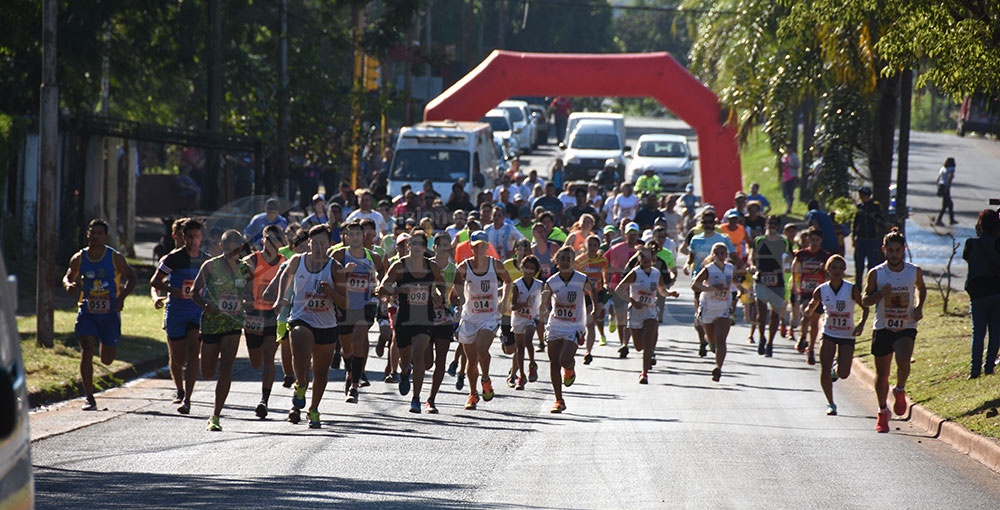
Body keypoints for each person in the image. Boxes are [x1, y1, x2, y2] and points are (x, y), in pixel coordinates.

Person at [272, 224, 347, 428]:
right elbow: (285, 277)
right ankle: (301, 384)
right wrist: (280, 299)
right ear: (309, 243)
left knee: (321, 371)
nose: (319, 247)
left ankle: (313, 409)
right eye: (315, 243)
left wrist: (331, 293)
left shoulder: (335, 268)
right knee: (299, 338)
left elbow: (345, 302)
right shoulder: (297, 260)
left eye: (324, 243)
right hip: (301, 317)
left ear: (330, 244)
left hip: (326, 324)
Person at [62, 219, 138, 410]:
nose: (95, 236)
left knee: (107, 359)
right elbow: (68, 276)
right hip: (87, 310)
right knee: (86, 348)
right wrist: (68, 285)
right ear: (87, 234)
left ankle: (107, 344)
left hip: (110, 313)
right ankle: (89, 397)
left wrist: (121, 299)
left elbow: (132, 278)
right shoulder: (79, 257)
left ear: (105, 236)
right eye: (92, 232)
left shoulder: (115, 257)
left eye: (99, 233)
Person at [861, 227, 926, 433]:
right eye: (891, 250)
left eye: (898, 250)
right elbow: (865, 299)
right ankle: (882, 412)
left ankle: (899, 389)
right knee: (882, 374)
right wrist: (880, 294)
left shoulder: (913, 270)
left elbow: (921, 289)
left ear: (903, 250)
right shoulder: (876, 273)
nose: (894, 254)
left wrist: (918, 307)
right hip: (883, 327)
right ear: (884, 250)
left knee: (904, 360)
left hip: (906, 325)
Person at [376, 231, 445, 413]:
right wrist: (399, 290)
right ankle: (405, 372)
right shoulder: (399, 266)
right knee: (405, 358)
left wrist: (439, 295)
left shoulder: (432, 266)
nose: (415, 247)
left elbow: (441, 284)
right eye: (412, 244)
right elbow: (382, 289)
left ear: (424, 247)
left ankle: (416, 399)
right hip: (404, 319)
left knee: (419, 353)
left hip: (425, 317)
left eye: (419, 244)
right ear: (408, 247)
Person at [189, 230, 247, 431]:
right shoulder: (210, 266)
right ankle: (214, 409)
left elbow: (251, 294)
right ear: (221, 247)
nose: (233, 252)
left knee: (226, 367)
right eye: (228, 248)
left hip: (232, 325)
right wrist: (207, 306)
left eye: (236, 248)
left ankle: (216, 414)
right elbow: (193, 292)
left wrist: (248, 305)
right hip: (211, 324)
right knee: (207, 372)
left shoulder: (245, 269)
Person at [150, 218, 207, 414]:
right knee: (179, 359)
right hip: (176, 312)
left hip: (196, 312)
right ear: (183, 237)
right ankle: (180, 388)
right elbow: (154, 281)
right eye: (189, 236)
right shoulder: (173, 259)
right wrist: (170, 289)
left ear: (202, 237)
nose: (193, 240)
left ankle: (188, 399)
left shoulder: (206, 260)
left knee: (194, 351)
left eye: (197, 236)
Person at [453, 231, 512, 410]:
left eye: (483, 245)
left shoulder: (496, 265)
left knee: (481, 347)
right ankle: (473, 394)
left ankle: (485, 378)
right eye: (476, 245)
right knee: (471, 361)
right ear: (471, 247)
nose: (480, 248)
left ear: (488, 246)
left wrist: (503, 301)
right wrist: (456, 300)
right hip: (470, 317)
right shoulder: (463, 267)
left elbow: (509, 282)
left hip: (490, 316)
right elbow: (455, 287)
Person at [803, 254, 869, 416]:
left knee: (844, 373)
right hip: (829, 332)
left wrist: (860, 324)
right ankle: (830, 403)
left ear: (845, 270)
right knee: (824, 368)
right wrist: (809, 309)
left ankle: (836, 370)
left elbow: (865, 307)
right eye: (834, 267)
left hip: (847, 334)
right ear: (828, 270)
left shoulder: (851, 288)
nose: (837, 271)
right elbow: (810, 309)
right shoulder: (821, 290)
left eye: (840, 268)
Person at [332, 222, 383, 404]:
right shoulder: (338, 254)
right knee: (346, 347)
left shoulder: (374, 257)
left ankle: (354, 385)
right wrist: (343, 271)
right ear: (344, 237)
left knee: (358, 339)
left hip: (366, 303)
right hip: (344, 304)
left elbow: (383, 276)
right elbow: (329, 274)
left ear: (364, 237)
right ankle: (350, 371)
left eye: (357, 234)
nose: (354, 237)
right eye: (350, 234)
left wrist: (381, 291)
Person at [541, 246, 595, 413]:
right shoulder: (552, 281)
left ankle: (570, 368)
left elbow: (592, 290)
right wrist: (542, 308)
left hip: (574, 325)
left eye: (568, 259)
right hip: (555, 324)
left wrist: (594, 306)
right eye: (562, 259)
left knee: (564, 359)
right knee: (554, 362)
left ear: (573, 261)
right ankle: (558, 400)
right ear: (556, 261)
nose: (565, 262)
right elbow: (544, 299)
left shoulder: (581, 278)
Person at [241, 224, 287, 419]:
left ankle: (264, 401)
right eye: (269, 238)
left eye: (277, 239)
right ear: (263, 240)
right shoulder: (251, 260)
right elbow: (239, 281)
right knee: (256, 361)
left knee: (269, 358)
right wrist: (245, 298)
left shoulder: (285, 263)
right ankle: (263, 396)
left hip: (272, 315)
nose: (273, 242)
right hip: (253, 315)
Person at [617, 245, 671, 384]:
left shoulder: (656, 273)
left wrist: (670, 294)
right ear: (639, 258)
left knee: (648, 343)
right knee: (638, 346)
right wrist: (632, 301)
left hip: (650, 311)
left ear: (653, 258)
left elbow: (661, 290)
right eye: (643, 257)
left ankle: (644, 373)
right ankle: (644, 363)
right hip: (636, 312)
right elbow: (619, 290)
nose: (646, 260)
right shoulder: (635, 273)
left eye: (648, 257)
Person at [962, 209, 1000, 379]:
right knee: (996, 332)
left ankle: (974, 370)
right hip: (997, 291)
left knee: (978, 333)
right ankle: (989, 366)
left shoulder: (971, 243)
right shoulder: (998, 243)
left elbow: (967, 257)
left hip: (977, 293)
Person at [692, 243, 736, 382]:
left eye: (723, 253)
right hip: (708, 306)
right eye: (717, 253)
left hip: (723, 307)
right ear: (713, 255)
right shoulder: (708, 269)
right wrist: (711, 288)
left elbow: (734, 284)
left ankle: (718, 367)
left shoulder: (730, 268)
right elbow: (695, 285)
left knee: (721, 340)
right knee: (712, 341)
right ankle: (709, 342)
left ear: (726, 255)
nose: (720, 255)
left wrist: (742, 290)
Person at [749, 215, 790, 356]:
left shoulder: (784, 241)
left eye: (775, 223)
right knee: (761, 312)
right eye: (770, 223)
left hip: (777, 280)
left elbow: (789, 257)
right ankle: (761, 338)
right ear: (766, 225)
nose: (772, 226)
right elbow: (752, 256)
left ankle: (770, 343)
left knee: (775, 315)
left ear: (778, 226)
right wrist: (753, 266)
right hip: (761, 279)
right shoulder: (759, 240)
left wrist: (788, 266)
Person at [791, 226, 831, 364]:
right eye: (812, 239)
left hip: (819, 292)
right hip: (805, 291)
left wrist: (824, 270)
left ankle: (811, 348)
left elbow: (831, 273)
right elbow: (795, 272)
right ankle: (803, 336)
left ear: (821, 240)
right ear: (807, 239)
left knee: (815, 322)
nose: (814, 242)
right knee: (806, 312)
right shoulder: (801, 255)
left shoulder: (825, 256)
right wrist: (795, 289)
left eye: (817, 240)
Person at [605, 222, 643, 357]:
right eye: (630, 234)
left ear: (638, 235)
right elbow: (604, 264)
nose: (632, 237)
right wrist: (607, 280)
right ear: (625, 235)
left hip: (637, 287)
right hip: (618, 285)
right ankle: (623, 344)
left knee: (633, 316)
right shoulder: (616, 248)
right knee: (621, 316)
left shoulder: (642, 250)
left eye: (635, 234)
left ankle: (629, 341)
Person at [510, 254, 542, 390]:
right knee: (520, 348)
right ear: (521, 268)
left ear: (536, 271)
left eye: (532, 268)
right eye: (526, 267)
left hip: (531, 318)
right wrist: (524, 304)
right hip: (518, 318)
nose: (528, 270)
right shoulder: (517, 285)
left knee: (528, 340)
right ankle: (521, 376)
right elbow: (512, 306)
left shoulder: (539, 285)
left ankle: (532, 364)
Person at [576, 235, 610, 352]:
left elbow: (605, 273)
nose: (592, 247)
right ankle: (582, 334)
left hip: (597, 293)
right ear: (585, 245)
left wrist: (606, 284)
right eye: (589, 245)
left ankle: (588, 352)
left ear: (598, 247)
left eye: (595, 245)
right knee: (586, 322)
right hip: (583, 294)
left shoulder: (602, 260)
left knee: (592, 321)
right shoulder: (579, 261)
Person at [851, 186, 888, 283]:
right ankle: (858, 288)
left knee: (872, 265)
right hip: (860, 239)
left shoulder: (875, 207)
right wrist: (853, 237)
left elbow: (882, 222)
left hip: (872, 239)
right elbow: (855, 224)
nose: (862, 198)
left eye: (863, 195)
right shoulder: (859, 208)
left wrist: (874, 218)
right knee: (859, 266)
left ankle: (871, 286)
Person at [935, 157, 958, 226]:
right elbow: (949, 179)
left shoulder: (943, 168)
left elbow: (938, 179)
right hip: (945, 186)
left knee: (950, 204)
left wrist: (938, 188)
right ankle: (939, 220)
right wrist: (947, 188)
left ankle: (952, 219)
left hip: (941, 186)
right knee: (946, 204)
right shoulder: (951, 169)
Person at [780, 144, 800, 215]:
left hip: (792, 176)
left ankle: (789, 208)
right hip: (785, 177)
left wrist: (790, 166)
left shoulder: (793, 156)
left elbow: (798, 165)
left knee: (790, 192)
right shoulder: (784, 156)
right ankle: (788, 205)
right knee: (785, 193)